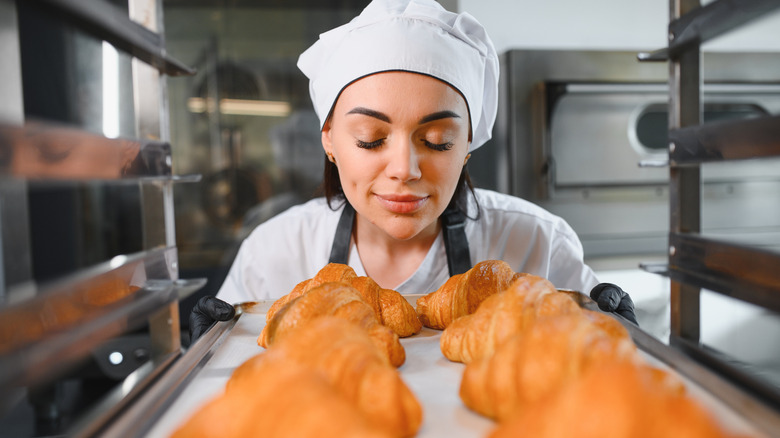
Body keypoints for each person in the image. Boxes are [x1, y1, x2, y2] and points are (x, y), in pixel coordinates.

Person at [190, 0, 636, 341]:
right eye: (370, 138)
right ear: (329, 138)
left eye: (437, 140)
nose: (404, 169)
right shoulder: (275, 252)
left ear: (467, 146)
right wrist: (203, 354)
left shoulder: (535, 242)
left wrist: (621, 341)